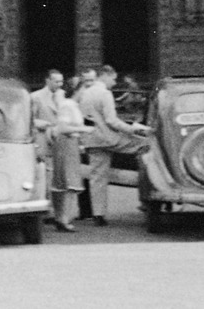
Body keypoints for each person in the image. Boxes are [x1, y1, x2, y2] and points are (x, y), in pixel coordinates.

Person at [77, 65, 149, 225]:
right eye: (113, 78)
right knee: (146, 146)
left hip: (91, 138)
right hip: (109, 138)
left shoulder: (85, 93)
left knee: (97, 177)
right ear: (105, 76)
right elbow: (111, 120)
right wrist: (131, 130)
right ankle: (146, 198)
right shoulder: (104, 93)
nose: (114, 82)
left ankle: (98, 215)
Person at [48, 84, 87, 232]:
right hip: (66, 143)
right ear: (77, 90)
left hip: (71, 143)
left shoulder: (73, 105)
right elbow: (63, 128)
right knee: (67, 181)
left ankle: (62, 217)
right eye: (84, 89)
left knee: (67, 181)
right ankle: (63, 219)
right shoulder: (67, 105)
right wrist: (83, 129)